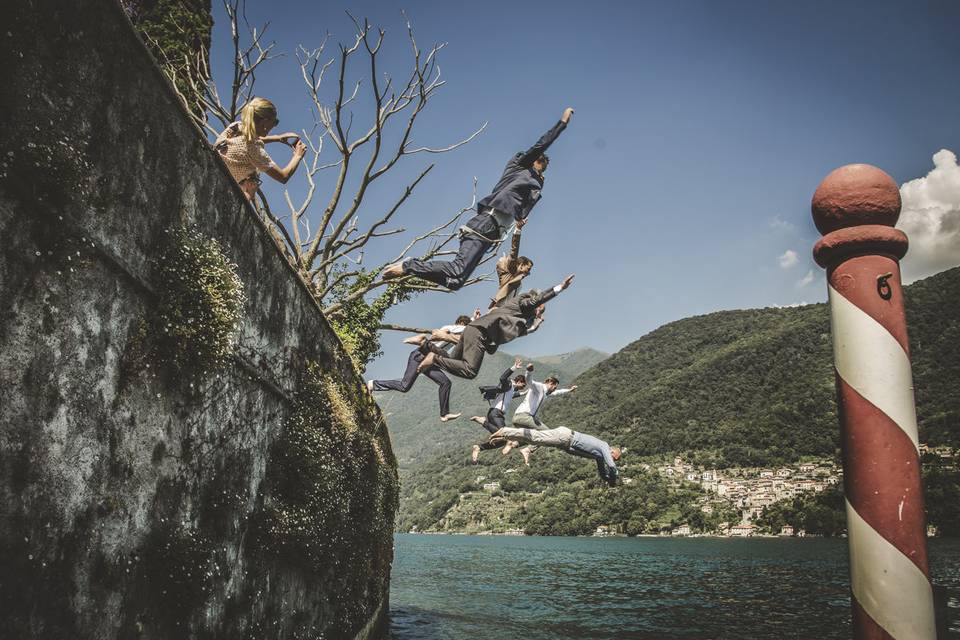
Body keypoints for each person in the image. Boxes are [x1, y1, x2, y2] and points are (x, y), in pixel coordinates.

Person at [382, 108, 574, 290]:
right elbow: (541, 144)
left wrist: (535, 191)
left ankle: (412, 269)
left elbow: (523, 209)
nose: (539, 174)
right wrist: (562, 123)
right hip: (485, 223)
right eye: (539, 167)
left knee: (455, 282)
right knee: (457, 269)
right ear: (533, 160)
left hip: (491, 234)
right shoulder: (519, 166)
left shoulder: (530, 188)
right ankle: (409, 266)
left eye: (542, 172)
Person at [415, 274, 575, 379]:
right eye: (540, 309)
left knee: (452, 360)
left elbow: (523, 331)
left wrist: (536, 324)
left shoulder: (517, 316)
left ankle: (425, 344)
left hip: (473, 329)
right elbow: (535, 301)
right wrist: (560, 288)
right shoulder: (525, 303)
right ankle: (433, 357)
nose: (539, 312)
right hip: (480, 333)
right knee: (470, 370)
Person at [366, 314, 474, 421]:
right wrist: (477, 320)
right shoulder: (454, 329)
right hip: (419, 355)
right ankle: (373, 384)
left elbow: (467, 329)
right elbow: (467, 329)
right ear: (461, 323)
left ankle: (444, 414)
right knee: (404, 386)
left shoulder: (456, 331)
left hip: (429, 361)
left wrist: (474, 318)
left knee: (445, 382)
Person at [213, 97, 307, 201]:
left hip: (215, 175)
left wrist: (278, 138)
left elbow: (250, 138)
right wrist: (298, 155)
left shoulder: (235, 127)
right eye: (275, 122)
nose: (275, 126)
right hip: (227, 193)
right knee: (251, 188)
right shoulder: (253, 149)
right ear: (264, 122)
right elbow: (283, 177)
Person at [487, 426, 621, 487]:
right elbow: (611, 465)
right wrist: (614, 477)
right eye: (615, 457)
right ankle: (505, 431)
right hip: (566, 437)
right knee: (536, 438)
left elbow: (603, 473)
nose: (614, 459)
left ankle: (505, 437)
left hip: (564, 443)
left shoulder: (599, 457)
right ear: (612, 451)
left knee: (535, 439)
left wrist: (609, 480)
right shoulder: (604, 446)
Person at [505, 366, 577, 464]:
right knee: (548, 434)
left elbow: (557, 393)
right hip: (524, 416)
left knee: (532, 436)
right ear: (550, 383)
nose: (554, 390)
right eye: (554, 387)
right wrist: (529, 371)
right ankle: (527, 450)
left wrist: (569, 390)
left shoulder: (545, 393)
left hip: (519, 418)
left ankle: (513, 444)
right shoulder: (539, 387)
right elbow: (529, 381)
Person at [469, 357, 527, 463]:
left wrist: (523, 393)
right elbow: (502, 378)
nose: (523, 387)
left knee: (500, 441)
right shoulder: (509, 384)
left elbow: (511, 395)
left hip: (495, 414)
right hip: (496, 413)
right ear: (519, 381)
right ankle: (482, 421)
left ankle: (479, 447)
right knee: (506, 434)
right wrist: (514, 367)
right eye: (523, 385)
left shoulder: (510, 390)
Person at [489, 218, 534, 309]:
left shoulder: (519, 283)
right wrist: (518, 229)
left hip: (506, 313)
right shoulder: (511, 269)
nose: (529, 273)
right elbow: (514, 250)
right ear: (521, 265)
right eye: (528, 269)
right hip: (497, 309)